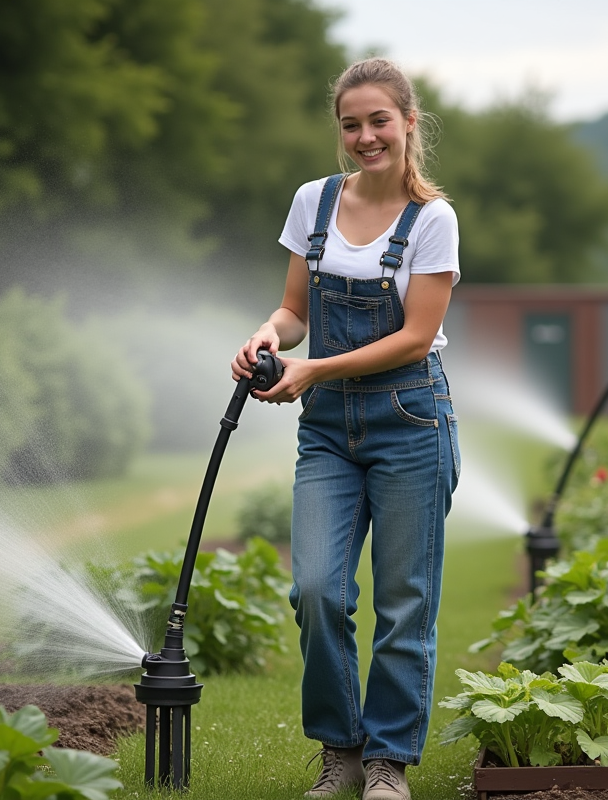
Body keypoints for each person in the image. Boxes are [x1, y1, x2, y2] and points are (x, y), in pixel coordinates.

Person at [231, 57, 460, 800]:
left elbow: (415, 338)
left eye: (378, 121)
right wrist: (268, 335)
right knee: (317, 590)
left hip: (409, 420)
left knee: (404, 600)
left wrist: (316, 372)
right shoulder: (314, 202)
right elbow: (296, 310)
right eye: (351, 124)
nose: (365, 137)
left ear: (408, 123)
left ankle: (388, 762)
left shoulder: (433, 219)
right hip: (329, 430)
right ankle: (343, 751)